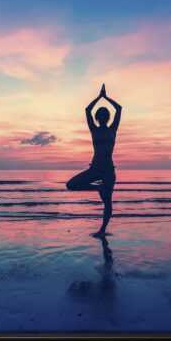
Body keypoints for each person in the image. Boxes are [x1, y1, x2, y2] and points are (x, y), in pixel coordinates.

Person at [66, 84, 122, 237]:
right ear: (100, 118)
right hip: (97, 169)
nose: (103, 117)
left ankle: (102, 231)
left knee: (107, 202)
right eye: (102, 115)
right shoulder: (98, 129)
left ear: (104, 118)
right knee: (71, 185)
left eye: (104, 115)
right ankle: (97, 189)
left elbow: (118, 109)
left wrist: (101, 97)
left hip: (106, 170)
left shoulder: (111, 129)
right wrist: (103, 97)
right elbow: (117, 108)